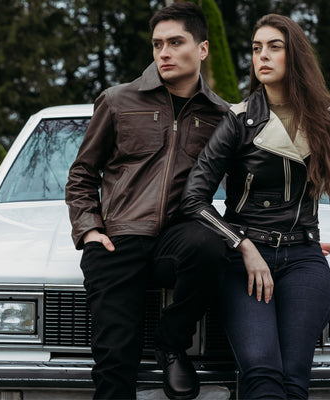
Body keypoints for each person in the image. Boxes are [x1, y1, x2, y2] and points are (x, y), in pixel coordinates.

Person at [179, 13, 330, 400]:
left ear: (294, 55)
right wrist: (242, 245)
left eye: (274, 47)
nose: (261, 56)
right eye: (255, 48)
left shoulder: (328, 115)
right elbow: (193, 199)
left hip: (304, 257)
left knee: (294, 379)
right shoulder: (238, 120)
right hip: (246, 259)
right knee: (262, 374)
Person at [65, 3, 230, 399]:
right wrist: (89, 229)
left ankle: (171, 341)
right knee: (115, 359)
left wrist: (293, 236)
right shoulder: (118, 100)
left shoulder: (221, 115)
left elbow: (249, 188)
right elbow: (82, 174)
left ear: (203, 49)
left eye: (176, 42)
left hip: (179, 235)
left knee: (211, 245)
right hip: (118, 237)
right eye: (158, 44)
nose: (164, 53)